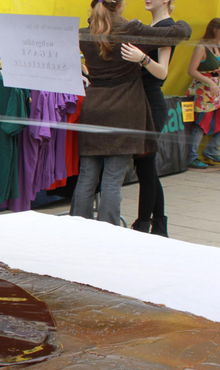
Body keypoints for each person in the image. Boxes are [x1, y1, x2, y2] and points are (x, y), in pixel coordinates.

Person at [72, 0, 190, 226]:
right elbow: (177, 33)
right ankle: (109, 233)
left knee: (87, 177)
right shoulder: (131, 30)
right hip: (125, 110)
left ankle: (79, 230)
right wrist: (185, 24)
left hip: (94, 109)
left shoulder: (84, 35)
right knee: (112, 180)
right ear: (120, 6)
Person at [119, 0, 175, 236]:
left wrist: (142, 58)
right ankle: (158, 225)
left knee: (145, 163)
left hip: (152, 102)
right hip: (138, 101)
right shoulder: (148, 26)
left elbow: (163, 72)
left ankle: (144, 224)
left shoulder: (168, 28)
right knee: (145, 166)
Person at [186, 19, 220, 169]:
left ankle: (211, 150)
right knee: (201, 124)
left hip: (216, 90)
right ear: (215, 30)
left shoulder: (217, 46)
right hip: (204, 90)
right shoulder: (201, 47)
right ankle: (192, 156)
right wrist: (210, 82)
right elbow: (192, 70)